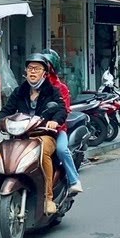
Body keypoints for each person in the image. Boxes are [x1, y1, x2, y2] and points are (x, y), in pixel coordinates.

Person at [0, 54, 67, 214]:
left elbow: (61, 109)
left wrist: (55, 120)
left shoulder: (52, 91)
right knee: (6, 151)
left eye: (37, 69)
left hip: (44, 135)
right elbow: (7, 110)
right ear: (25, 71)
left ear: (45, 73)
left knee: (42, 154)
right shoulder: (19, 91)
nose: (32, 72)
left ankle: (48, 198)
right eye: (30, 68)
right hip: (21, 136)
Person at [43, 49, 82, 194]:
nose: (43, 72)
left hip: (57, 130)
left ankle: (74, 180)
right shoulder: (30, 88)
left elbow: (63, 110)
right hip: (35, 129)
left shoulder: (61, 88)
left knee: (61, 149)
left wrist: (55, 121)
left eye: (46, 67)